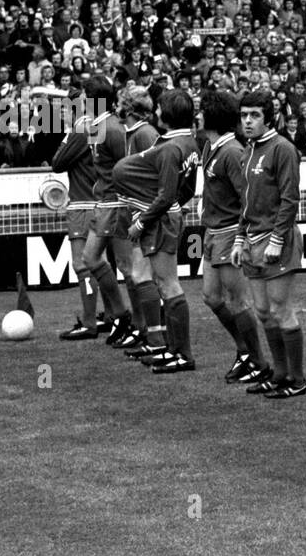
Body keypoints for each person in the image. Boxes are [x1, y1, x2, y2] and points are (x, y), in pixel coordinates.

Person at [113, 89, 200, 373]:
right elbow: (186, 189)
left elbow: (165, 195)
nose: (156, 111)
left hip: (159, 219)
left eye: (160, 107)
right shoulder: (187, 143)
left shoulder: (171, 147)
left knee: (168, 284)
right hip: (165, 217)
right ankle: (172, 350)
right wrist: (176, 208)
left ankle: (182, 354)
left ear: (168, 114)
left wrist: (142, 221)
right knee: (163, 283)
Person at [233, 90, 306, 399]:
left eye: (254, 116)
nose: (248, 121)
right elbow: (246, 201)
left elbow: (290, 198)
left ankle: (297, 379)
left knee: (280, 310)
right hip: (252, 240)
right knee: (262, 311)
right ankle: (279, 374)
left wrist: (277, 239)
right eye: (244, 115)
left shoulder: (283, 149)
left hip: (278, 240)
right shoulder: (247, 151)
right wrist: (239, 238)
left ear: (269, 117)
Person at [197, 89, 269, 385]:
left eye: (201, 110)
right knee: (211, 297)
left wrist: (244, 236)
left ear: (212, 116)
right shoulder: (210, 146)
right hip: (213, 232)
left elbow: (247, 197)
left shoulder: (232, 152)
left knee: (238, 300)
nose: (197, 115)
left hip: (229, 233)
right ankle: (244, 351)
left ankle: (259, 362)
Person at [78, 76, 137, 347]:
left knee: (127, 267)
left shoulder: (113, 129)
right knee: (90, 258)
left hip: (117, 205)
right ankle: (122, 315)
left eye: (82, 95)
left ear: (92, 99)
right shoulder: (97, 126)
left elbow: (127, 168)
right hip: (104, 204)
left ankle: (139, 322)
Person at [50, 93, 101, 340]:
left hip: (83, 204)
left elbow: (57, 163)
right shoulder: (96, 127)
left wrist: (68, 133)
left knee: (82, 264)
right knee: (101, 264)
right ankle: (112, 316)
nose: (61, 113)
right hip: (99, 202)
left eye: (64, 109)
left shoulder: (80, 130)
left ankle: (90, 322)